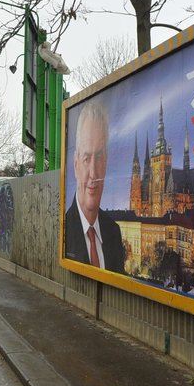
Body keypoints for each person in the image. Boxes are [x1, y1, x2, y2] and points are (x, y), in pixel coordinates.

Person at [64, 98, 126, 273]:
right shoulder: (65, 229)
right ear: (76, 164)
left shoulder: (113, 232)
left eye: (98, 157)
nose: (93, 173)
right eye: (86, 158)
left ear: (105, 162)